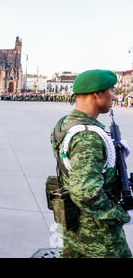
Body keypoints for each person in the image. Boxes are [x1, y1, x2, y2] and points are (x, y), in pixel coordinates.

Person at [50, 69, 133, 258]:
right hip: (99, 235)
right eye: (111, 90)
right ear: (97, 94)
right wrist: (119, 215)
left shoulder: (64, 124)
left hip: (73, 226)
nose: (114, 96)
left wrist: (109, 152)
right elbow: (85, 190)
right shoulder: (88, 135)